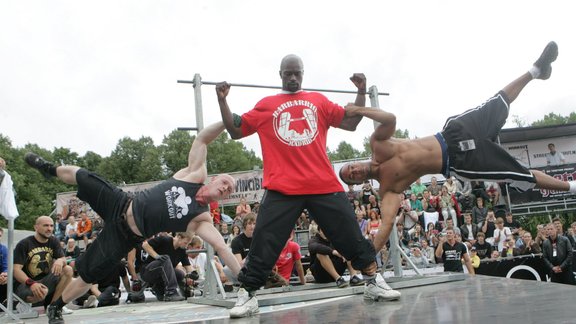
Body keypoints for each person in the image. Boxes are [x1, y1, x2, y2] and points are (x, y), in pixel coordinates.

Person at [338, 42, 576, 254]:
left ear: (354, 163)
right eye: (351, 177)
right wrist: (369, 254)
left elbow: (390, 118)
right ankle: (571, 186)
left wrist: (359, 109)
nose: (355, 171)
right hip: (461, 162)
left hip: (453, 133)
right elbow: (388, 222)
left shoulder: (378, 144)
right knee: (520, 174)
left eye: (351, 167)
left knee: (497, 101)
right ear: (357, 183)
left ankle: (536, 70)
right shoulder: (388, 189)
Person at [216, 54, 400, 318]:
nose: (292, 78)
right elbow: (235, 130)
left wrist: (360, 93)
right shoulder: (267, 105)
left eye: (297, 73)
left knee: (349, 232)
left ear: (303, 74)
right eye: (287, 73)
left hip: (322, 183)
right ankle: (247, 293)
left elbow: (350, 123)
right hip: (282, 187)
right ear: (280, 75)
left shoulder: (317, 101)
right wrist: (223, 100)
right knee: (264, 241)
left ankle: (372, 280)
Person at [23, 121, 241, 323]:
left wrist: (245, 280)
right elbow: (202, 139)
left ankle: (57, 306)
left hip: (125, 237)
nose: (225, 187)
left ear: (224, 197)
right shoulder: (194, 174)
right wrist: (226, 120)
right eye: (224, 182)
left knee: (89, 276)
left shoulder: (201, 219)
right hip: (121, 204)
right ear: (214, 180)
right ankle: (49, 169)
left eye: (229, 190)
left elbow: (222, 247)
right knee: (84, 175)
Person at [13, 216, 74, 323]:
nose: (49, 228)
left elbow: (63, 258)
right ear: (36, 227)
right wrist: (31, 283)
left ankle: (54, 307)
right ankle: (23, 304)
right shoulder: (24, 244)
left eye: (51, 225)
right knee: (42, 291)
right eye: (45, 225)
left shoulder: (53, 241)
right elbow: (16, 270)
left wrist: (60, 260)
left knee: (68, 269)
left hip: (45, 282)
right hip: (25, 285)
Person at [140, 232, 193, 301]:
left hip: (161, 275)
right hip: (148, 271)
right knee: (166, 259)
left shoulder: (182, 250)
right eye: (185, 243)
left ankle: (159, 287)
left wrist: (192, 275)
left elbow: (187, 266)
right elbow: (145, 245)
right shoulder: (164, 240)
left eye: (188, 244)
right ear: (179, 237)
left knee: (180, 274)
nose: (186, 246)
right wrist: (157, 256)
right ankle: (171, 293)